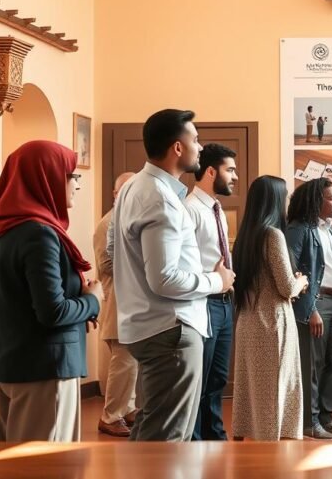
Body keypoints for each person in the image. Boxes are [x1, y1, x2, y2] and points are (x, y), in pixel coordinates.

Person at [113, 109, 235, 442]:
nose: (200, 145)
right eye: (195, 139)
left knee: (152, 430)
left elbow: (114, 251)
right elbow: (164, 278)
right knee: (169, 440)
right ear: (177, 148)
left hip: (149, 324)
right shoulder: (160, 198)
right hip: (171, 328)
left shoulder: (134, 187)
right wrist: (217, 282)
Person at [0, 141, 101, 441]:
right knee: (46, 468)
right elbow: (53, 311)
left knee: (12, 465)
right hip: (44, 369)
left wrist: (15, 314)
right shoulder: (40, 233)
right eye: (72, 175)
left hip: (6, 362)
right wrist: (92, 301)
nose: (76, 184)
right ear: (47, 175)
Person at [231, 176, 308, 440]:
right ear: (274, 200)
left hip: (248, 319)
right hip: (272, 321)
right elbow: (286, 287)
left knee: (249, 386)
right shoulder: (273, 235)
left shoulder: (245, 236)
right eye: (284, 196)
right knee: (277, 386)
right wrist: (301, 281)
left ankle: (249, 431)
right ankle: (273, 438)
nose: (286, 201)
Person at [286, 178, 332, 440]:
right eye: (331, 197)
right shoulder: (299, 229)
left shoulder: (331, 230)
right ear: (315, 200)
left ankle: (325, 416)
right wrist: (309, 307)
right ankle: (309, 422)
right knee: (312, 365)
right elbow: (292, 271)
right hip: (316, 304)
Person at [184, 143, 239, 441]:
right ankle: (193, 441)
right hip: (202, 302)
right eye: (230, 170)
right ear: (209, 171)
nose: (235, 177)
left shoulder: (217, 209)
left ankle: (214, 436)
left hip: (224, 303)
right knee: (200, 379)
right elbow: (185, 264)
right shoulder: (190, 210)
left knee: (217, 378)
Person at [95, 171, 138, 438]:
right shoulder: (108, 223)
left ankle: (128, 409)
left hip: (131, 303)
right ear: (115, 194)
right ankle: (109, 416)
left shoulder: (128, 220)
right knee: (123, 361)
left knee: (131, 361)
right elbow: (107, 265)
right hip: (118, 302)